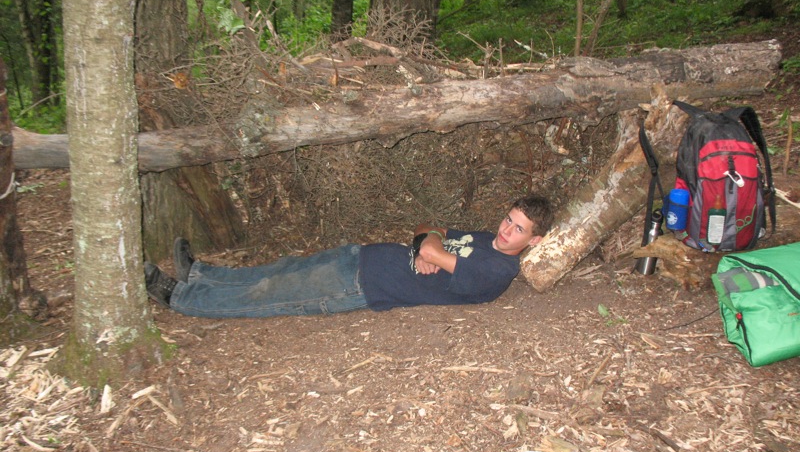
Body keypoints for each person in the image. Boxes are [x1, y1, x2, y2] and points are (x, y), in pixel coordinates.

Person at [144, 193, 553, 318]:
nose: (506, 229)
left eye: (518, 229)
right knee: (280, 269)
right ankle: (201, 275)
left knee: (272, 292)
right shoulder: (485, 239)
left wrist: (430, 248)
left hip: (359, 285)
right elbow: (429, 229)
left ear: (534, 241)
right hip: (360, 257)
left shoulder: (494, 271)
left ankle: (182, 298)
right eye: (508, 218)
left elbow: (432, 243)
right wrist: (426, 246)